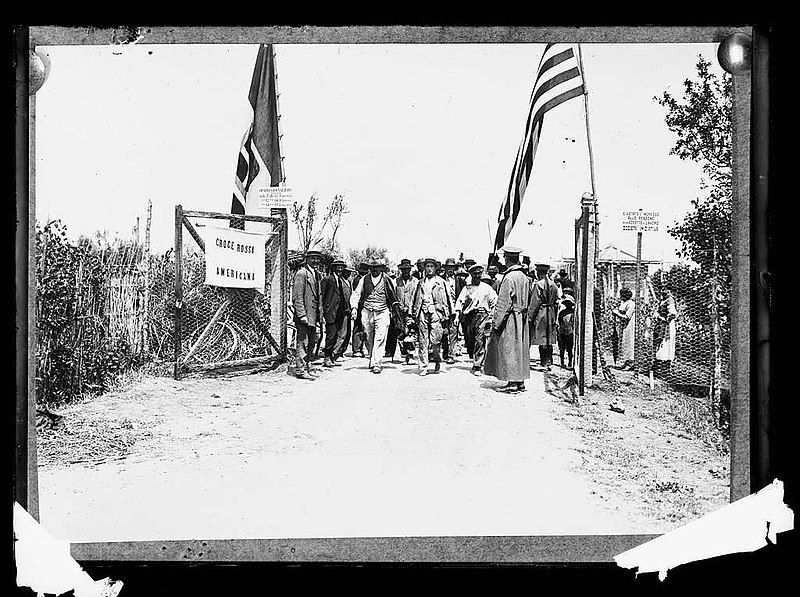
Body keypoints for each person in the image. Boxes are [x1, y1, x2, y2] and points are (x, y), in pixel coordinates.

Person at [483, 246, 531, 393]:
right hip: (522, 316)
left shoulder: (509, 277)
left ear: (507, 259)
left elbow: (503, 302)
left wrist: (496, 323)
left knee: (509, 348)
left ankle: (512, 383)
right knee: (520, 349)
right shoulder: (524, 277)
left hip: (510, 317)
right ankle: (519, 381)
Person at [349, 259, 399, 374]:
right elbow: (356, 293)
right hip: (367, 311)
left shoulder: (387, 279)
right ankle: (372, 357)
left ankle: (377, 363)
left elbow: (393, 295)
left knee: (380, 337)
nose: (374, 270)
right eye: (372, 267)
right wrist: (354, 308)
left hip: (382, 311)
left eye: (377, 267)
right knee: (368, 336)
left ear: (381, 268)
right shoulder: (364, 279)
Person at [410, 257, 452, 376]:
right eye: (427, 267)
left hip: (436, 312)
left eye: (431, 267)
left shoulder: (441, 282)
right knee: (423, 340)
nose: (429, 269)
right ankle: (423, 366)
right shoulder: (420, 282)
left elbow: (448, 298)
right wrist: (412, 313)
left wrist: (448, 314)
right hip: (423, 312)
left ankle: (437, 360)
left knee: (435, 341)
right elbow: (414, 298)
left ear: (435, 268)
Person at [454, 264, 498, 375]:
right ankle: (474, 357)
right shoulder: (467, 288)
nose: (477, 276)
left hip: (482, 315)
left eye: (479, 274)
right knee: (470, 340)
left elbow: (494, 302)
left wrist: (491, 316)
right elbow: (459, 302)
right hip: (469, 317)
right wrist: (457, 314)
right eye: (475, 274)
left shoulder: (487, 288)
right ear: (471, 275)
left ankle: (477, 365)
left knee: (480, 339)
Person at [291, 249, 323, 380]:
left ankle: (308, 366)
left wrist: (320, 316)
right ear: (307, 259)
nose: (315, 261)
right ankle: (300, 369)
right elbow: (297, 297)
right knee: (302, 342)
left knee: (312, 342)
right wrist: (302, 314)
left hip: (313, 315)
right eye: (313, 258)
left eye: (317, 258)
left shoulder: (316, 274)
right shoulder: (301, 274)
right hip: (305, 315)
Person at [529, 263, 560, 371]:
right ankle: (549, 361)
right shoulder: (554, 285)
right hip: (551, 312)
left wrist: (530, 317)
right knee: (549, 337)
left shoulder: (538, 285)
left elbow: (535, 303)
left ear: (538, 272)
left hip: (541, 312)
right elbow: (556, 301)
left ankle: (544, 362)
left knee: (542, 337)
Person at [389, 258, 419, 365]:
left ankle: (410, 354)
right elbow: (392, 295)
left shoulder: (416, 282)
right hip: (398, 311)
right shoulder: (395, 281)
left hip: (411, 311)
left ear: (410, 270)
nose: (405, 271)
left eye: (407, 269)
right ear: (401, 270)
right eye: (403, 269)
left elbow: (417, 297)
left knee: (410, 332)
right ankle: (404, 353)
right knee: (400, 332)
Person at [320, 259, 348, 368]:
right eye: (338, 267)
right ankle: (327, 358)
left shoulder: (340, 280)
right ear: (334, 268)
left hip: (339, 313)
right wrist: (323, 312)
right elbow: (322, 296)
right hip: (331, 313)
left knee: (336, 335)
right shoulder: (328, 279)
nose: (340, 269)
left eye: (342, 267)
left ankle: (331, 357)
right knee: (330, 336)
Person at [441, 257, 463, 364]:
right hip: (443, 309)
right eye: (448, 267)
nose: (450, 269)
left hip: (455, 309)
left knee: (453, 332)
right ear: (445, 268)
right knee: (443, 332)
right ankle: (445, 352)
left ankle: (451, 354)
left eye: (452, 267)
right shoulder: (440, 279)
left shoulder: (460, 281)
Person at [653, 285, 678, 378]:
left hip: (667, 326)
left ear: (669, 290)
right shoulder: (662, 300)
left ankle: (665, 370)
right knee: (660, 345)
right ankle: (658, 369)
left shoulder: (670, 300)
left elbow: (673, 314)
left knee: (666, 346)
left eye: (665, 289)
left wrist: (662, 318)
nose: (663, 291)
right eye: (662, 289)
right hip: (661, 325)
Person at [611, 287, 636, 370]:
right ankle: (626, 362)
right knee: (624, 343)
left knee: (629, 343)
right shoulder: (624, 303)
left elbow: (627, 317)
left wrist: (617, 313)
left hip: (629, 325)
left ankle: (631, 363)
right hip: (623, 326)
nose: (620, 296)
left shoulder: (631, 303)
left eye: (621, 295)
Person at [351, 262, 370, 357]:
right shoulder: (359, 280)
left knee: (364, 327)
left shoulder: (362, 279)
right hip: (359, 307)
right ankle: (357, 348)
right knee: (358, 327)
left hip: (364, 306)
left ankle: (360, 348)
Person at [557, 295, 576, 369]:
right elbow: (559, 321)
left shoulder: (573, 313)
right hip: (562, 331)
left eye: (569, 303)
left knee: (570, 349)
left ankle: (570, 363)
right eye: (566, 303)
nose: (568, 305)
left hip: (570, 332)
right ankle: (562, 362)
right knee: (562, 348)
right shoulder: (562, 312)